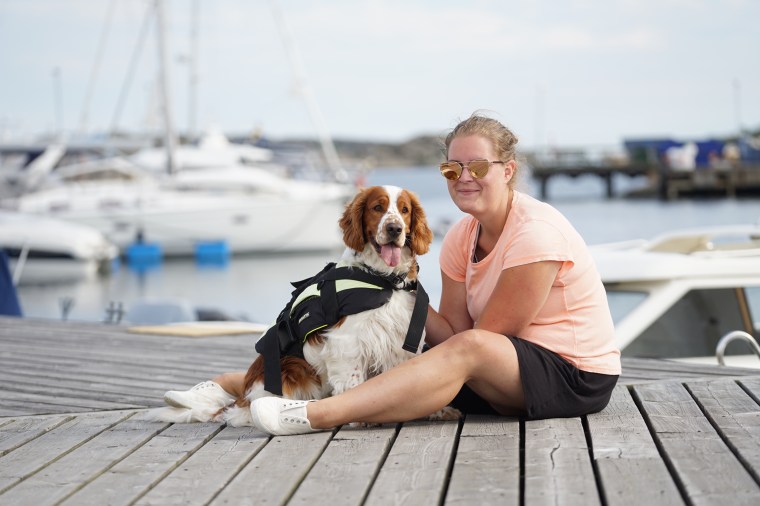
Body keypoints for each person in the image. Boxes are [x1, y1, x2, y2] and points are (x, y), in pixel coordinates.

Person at [164, 113, 621, 435]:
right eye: (452, 168)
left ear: (509, 171)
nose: (464, 177)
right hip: (497, 374)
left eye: (478, 166)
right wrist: (383, 287)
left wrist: (405, 301)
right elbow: (452, 332)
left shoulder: (536, 233)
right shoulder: (462, 236)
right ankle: (225, 386)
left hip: (571, 377)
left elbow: (484, 341)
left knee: (454, 354)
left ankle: (318, 415)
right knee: (393, 356)